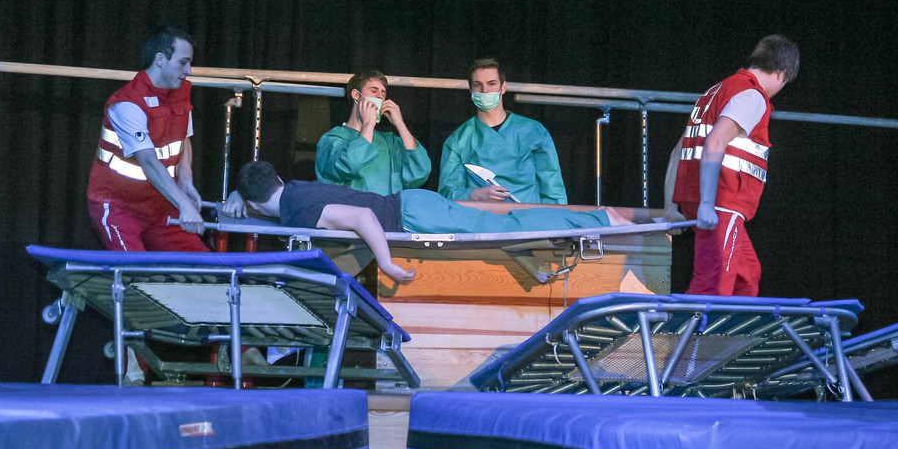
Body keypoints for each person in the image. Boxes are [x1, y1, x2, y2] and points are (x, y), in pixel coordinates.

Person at [228, 160, 632, 285]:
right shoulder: (293, 189)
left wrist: (386, 263)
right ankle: (542, 251)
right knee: (497, 231)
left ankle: (601, 218)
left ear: (255, 203)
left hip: (410, 215)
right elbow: (262, 192)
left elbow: (362, 217)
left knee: (504, 227)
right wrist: (234, 198)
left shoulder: (297, 209)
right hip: (413, 207)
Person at [664, 34, 800, 296]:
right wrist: (706, 204)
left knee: (746, 276)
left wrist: (673, 206)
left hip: (706, 200)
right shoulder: (751, 96)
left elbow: (678, 151)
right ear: (781, 74)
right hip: (721, 201)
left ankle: (734, 325)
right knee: (713, 284)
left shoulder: (715, 92)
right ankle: (691, 326)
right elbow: (715, 141)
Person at [87, 26, 209, 252]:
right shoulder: (127, 103)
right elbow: (149, 162)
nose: (189, 71)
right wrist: (183, 203)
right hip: (119, 207)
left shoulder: (181, 93)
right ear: (160, 59)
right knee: (134, 268)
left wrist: (186, 180)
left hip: (160, 206)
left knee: (202, 264)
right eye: (183, 62)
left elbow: (183, 139)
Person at [438, 58, 567, 204]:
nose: (485, 91)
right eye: (477, 85)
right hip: (480, 216)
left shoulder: (534, 132)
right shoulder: (458, 140)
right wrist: (475, 195)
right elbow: (447, 193)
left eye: (491, 84)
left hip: (529, 216)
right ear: (471, 90)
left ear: (503, 87)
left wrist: (554, 217)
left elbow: (553, 191)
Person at [315, 70, 431, 195]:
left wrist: (400, 123)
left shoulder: (389, 141)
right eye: (373, 91)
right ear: (356, 94)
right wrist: (368, 124)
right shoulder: (333, 138)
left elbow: (420, 172)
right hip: (350, 206)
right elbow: (348, 165)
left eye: (383, 93)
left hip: (385, 206)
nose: (379, 96)